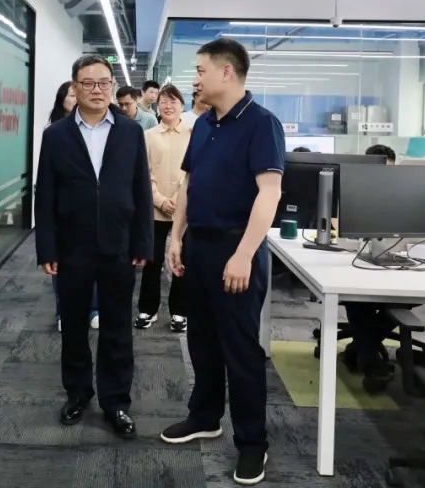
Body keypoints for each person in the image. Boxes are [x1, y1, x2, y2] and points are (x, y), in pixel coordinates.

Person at [160, 38, 284, 486]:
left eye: (200, 70)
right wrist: (176, 237)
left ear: (226, 72)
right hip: (200, 246)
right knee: (202, 340)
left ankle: (252, 444)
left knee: (241, 351)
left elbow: (269, 193)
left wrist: (245, 254)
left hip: (237, 249)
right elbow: (188, 183)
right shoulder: (204, 124)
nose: (195, 79)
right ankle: (205, 416)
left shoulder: (261, 124)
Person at [35, 55, 154, 438]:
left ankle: (116, 402)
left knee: (118, 327)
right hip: (72, 246)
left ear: (112, 86)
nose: (97, 90)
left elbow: (141, 190)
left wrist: (143, 241)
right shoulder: (56, 135)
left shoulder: (130, 132)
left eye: (104, 83)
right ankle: (77, 392)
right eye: (88, 83)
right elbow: (45, 196)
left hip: (119, 244)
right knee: (73, 324)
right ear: (75, 87)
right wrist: (47, 248)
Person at [338, 143, 401, 395]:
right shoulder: (350, 190)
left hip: (397, 262)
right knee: (357, 296)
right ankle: (369, 359)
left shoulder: (406, 195)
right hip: (355, 259)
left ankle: (363, 349)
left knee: (406, 298)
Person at [47, 82, 100, 332]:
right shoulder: (54, 132)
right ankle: (64, 312)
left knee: (95, 262)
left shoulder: (98, 129)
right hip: (64, 211)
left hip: (93, 209)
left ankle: (94, 309)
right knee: (62, 265)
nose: (75, 98)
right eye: (71, 94)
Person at [137, 84, 190, 333]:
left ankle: (179, 311)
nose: (168, 106)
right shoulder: (148, 136)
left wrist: (179, 199)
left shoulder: (192, 134)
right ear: (158, 106)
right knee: (152, 261)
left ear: (182, 106)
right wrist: (159, 200)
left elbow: (192, 173)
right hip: (155, 209)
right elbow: (143, 173)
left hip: (184, 209)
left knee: (182, 262)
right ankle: (148, 309)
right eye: (164, 102)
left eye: (173, 101)